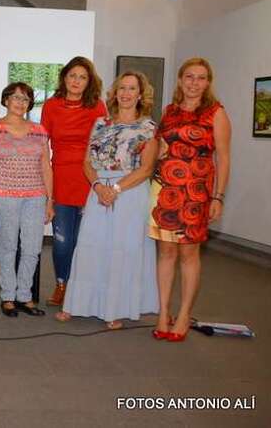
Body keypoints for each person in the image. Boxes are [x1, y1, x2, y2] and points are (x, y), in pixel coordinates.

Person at [55, 71, 159, 329]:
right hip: (99, 191)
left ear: (140, 94)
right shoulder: (101, 123)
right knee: (91, 246)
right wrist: (99, 186)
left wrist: (115, 188)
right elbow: (87, 162)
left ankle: (114, 309)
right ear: (114, 93)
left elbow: (146, 169)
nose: (125, 93)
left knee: (121, 249)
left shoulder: (148, 128)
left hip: (129, 193)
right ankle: (76, 304)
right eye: (121, 88)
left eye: (131, 88)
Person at [149, 58, 231, 342]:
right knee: (166, 253)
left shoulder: (215, 113)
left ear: (208, 82)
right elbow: (160, 147)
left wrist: (218, 197)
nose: (194, 82)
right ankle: (163, 313)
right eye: (189, 76)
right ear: (181, 79)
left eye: (201, 77)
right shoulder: (168, 111)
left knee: (188, 254)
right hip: (165, 190)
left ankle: (183, 314)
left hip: (196, 193)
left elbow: (223, 157)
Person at [40, 56, 106, 306]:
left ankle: (85, 290)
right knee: (62, 241)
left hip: (90, 179)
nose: (76, 81)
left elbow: (103, 146)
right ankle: (62, 286)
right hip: (61, 179)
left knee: (86, 241)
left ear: (89, 81)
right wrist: (46, 188)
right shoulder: (51, 105)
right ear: (64, 77)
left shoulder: (97, 106)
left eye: (82, 77)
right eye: (72, 76)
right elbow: (42, 146)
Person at [0, 82, 53, 318]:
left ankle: (25, 296)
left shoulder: (39, 130)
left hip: (35, 195)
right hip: (2, 195)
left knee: (33, 248)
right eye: (15, 97)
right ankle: (8, 297)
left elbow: (46, 165)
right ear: (5, 100)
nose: (19, 102)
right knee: (8, 246)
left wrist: (50, 200)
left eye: (25, 99)